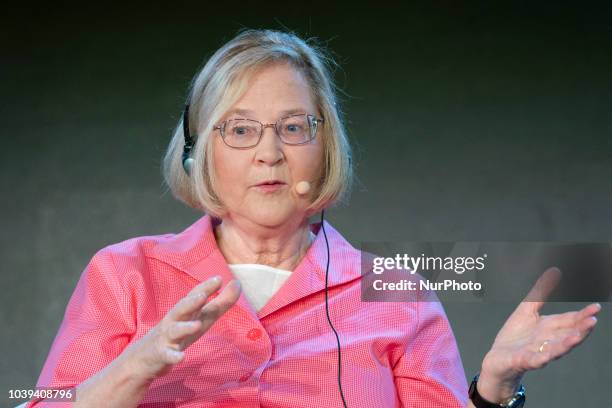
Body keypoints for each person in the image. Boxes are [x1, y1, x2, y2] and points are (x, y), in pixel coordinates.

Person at [27, 28, 601, 408]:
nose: (269, 152)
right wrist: (133, 369)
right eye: (241, 129)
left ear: (325, 148)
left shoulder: (397, 293)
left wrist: (495, 389)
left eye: (294, 127)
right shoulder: (126, 275)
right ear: (198, 151)